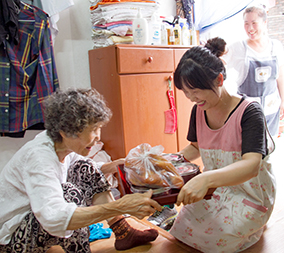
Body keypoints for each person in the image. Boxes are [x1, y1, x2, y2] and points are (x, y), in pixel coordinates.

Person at [0, 88, 162, 252]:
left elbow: (90, 171)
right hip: (10, 238)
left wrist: (118, 165)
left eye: (99, 128)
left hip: (35, 217)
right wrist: (119, 206)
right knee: (70, 194)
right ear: (66, 132)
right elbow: (54, 217)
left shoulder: (59, 143)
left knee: (85, 166)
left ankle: (123, 231)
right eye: (93, 130)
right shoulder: (39, 158)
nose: (98, 136)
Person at [169, 38, 276, 252]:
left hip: (249, 194)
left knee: (216, 243)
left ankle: (259, 220)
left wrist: (205, 178)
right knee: (181, 231)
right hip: (215, 191)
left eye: (196, 91)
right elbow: (196, 147)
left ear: (219, 80)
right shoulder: (199, 109)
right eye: (186, 93)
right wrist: (169, 161)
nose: (192, 98)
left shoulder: (249, 112)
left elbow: (251, 165)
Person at [221, 5, 284, 137]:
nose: (250, 29)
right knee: (249, 151)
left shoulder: (276, 47)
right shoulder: (238, 47)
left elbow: (280, 76)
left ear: (265, 23)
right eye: (246, 23)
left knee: (269, 151)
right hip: (248, 112)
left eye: (254, 23)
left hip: (272, 112)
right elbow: (218, 66)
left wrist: (283, 101)